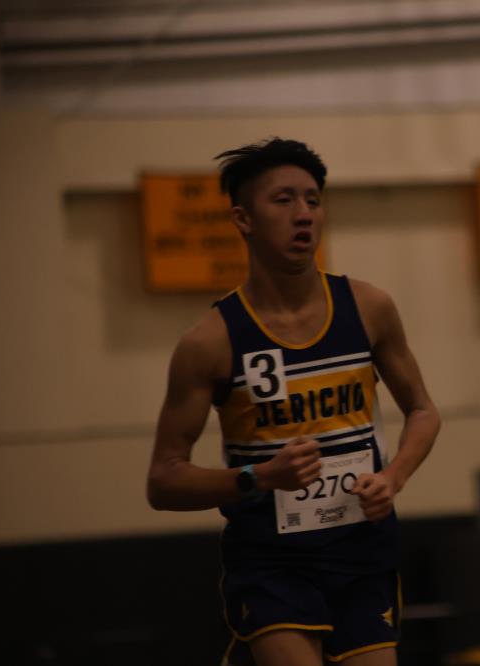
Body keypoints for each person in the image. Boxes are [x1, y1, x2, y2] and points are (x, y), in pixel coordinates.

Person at [146, 138, 441, 666]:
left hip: (362, 550)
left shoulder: (369, 307)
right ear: (243, 219)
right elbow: (164, 480)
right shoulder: (210, 342)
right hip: (272, 563)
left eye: (313, 200)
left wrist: (393, 477)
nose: (303, 214)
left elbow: (422, 410)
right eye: (283, 200)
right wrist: (258, 477)